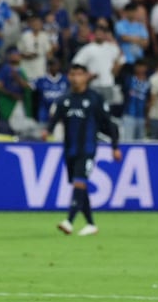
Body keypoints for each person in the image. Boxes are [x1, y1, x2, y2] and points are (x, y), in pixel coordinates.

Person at [44, 64, 122, 237]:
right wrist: (46, 132)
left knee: (79, 182)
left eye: (79, 74)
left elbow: (109, 124)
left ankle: (69, 221)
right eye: (72, 74)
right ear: (69, 77)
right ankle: (91, 224)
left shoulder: (95, 99)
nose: (75, 78)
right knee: (80, 185)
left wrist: (115, 147)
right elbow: (54, 120)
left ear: (86, 77)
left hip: (87, 149)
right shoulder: (64, 99)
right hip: (69, 150)